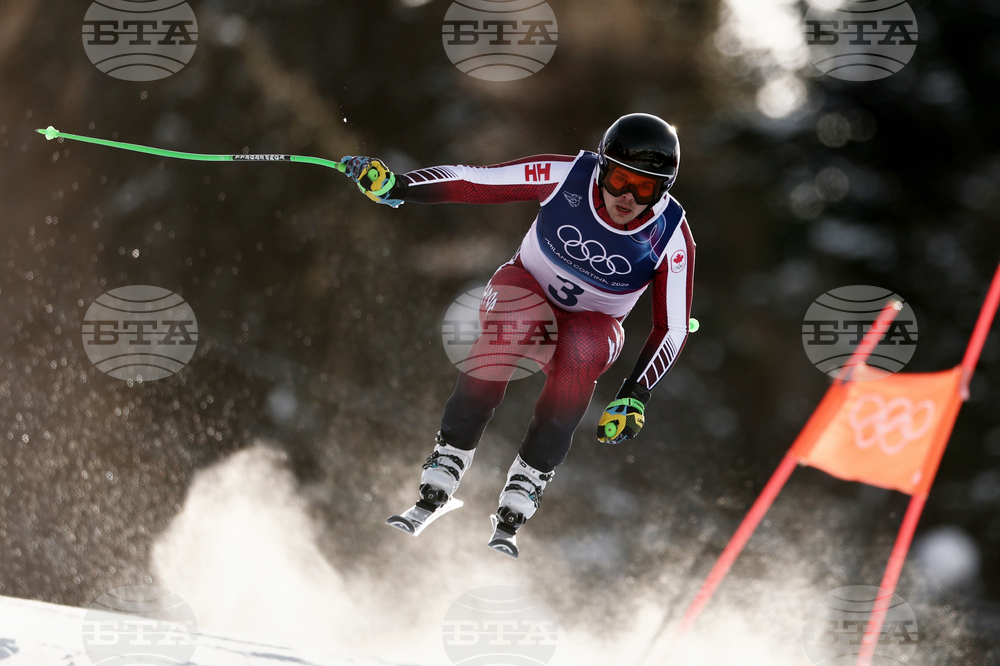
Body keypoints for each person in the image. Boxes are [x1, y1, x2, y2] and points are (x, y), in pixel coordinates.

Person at [342, 113, 695, 557]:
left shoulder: (672, 236)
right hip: (521, 293)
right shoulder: (568, 176)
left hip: (586, 330)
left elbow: (674, 325)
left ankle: (530, 478)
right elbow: (477, 182)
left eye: (644, 188)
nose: (626, 196)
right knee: (518, 317)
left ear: (662, 190)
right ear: (603, 167)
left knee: (584, 344)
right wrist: (398, 186)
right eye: (621, 178)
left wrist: (635, 392)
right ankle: (450, 455)